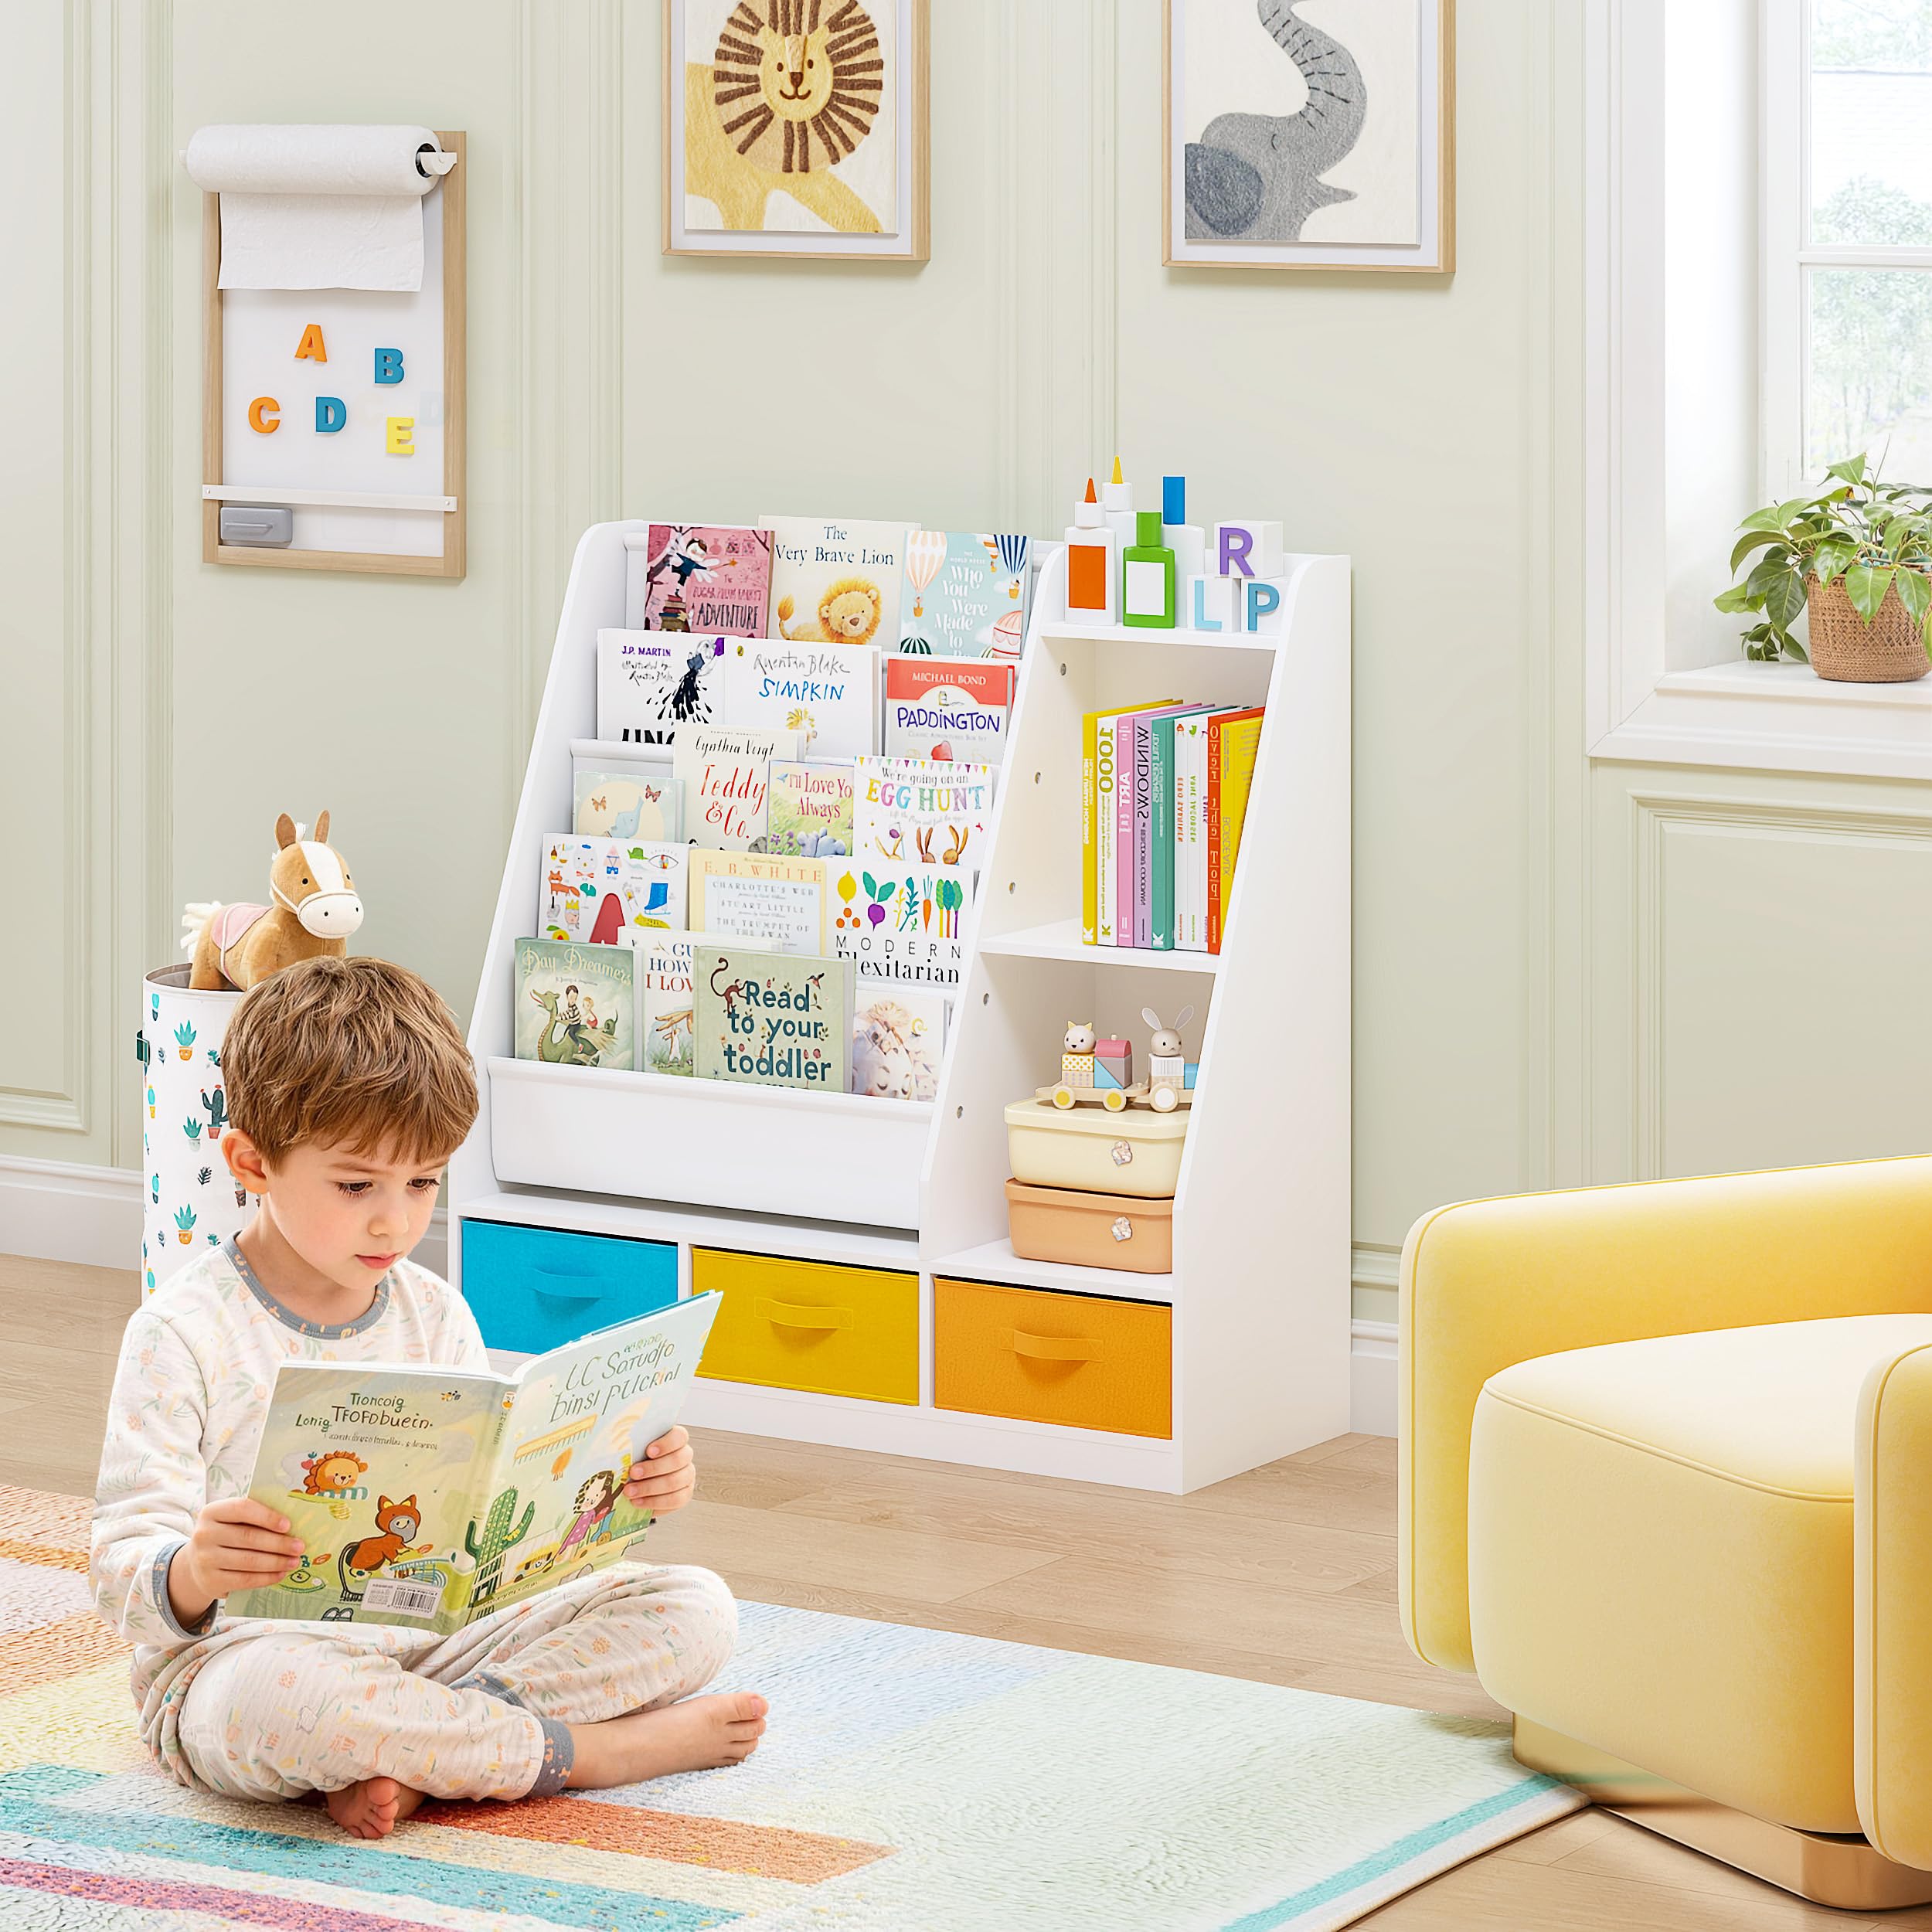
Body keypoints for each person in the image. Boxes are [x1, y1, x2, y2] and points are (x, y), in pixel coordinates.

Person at [90, 956, 766, 1839]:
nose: (396, 1221)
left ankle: (416, 1754)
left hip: (437, 1653)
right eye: (356, 1184)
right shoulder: (180, 1331)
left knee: (697, 1606)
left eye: (423, 1183)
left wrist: (621, 1485)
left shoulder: (433, 1307)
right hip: (244, 1661)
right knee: (277, 1703)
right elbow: (117, 1574)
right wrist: (194, 1570)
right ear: (252, 1161)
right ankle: (585, 1754)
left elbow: (486, 1520)